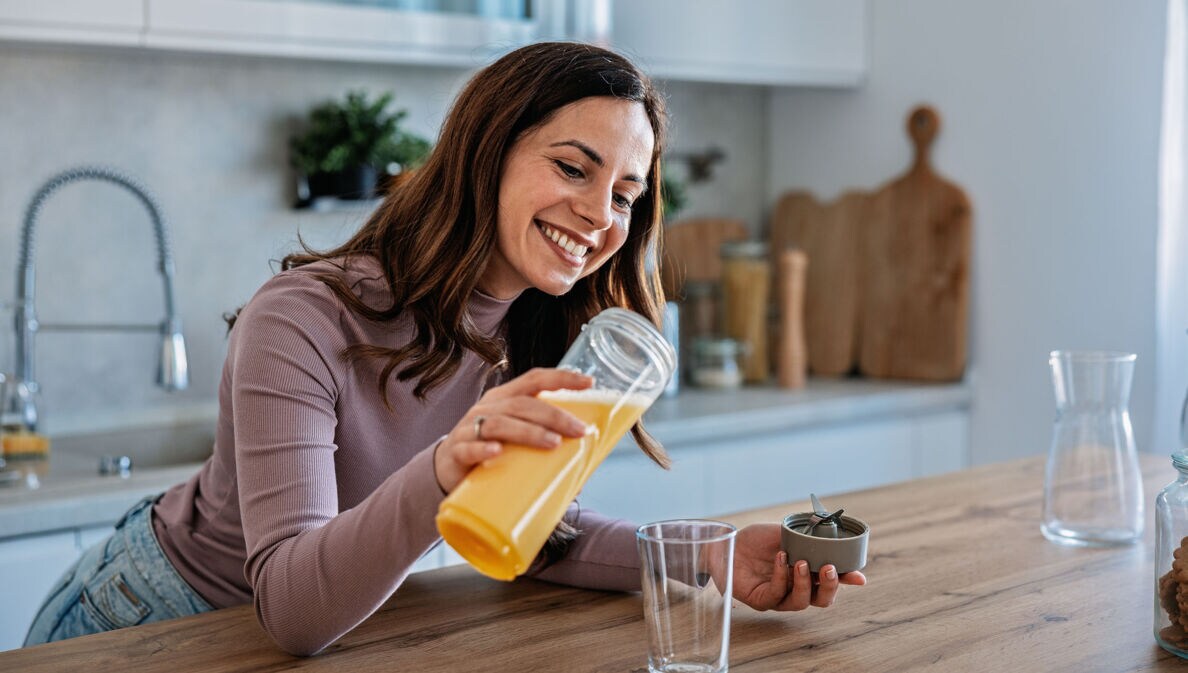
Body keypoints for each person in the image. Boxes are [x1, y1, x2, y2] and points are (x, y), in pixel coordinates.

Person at [23, 41, 864, 656]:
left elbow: (530, 533)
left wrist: (711, 557)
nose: (602, 215)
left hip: (341, 624)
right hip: (153, 614)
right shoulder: (304, 318)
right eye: (574, 168)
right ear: (486, 152)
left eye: (626, 194)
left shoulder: (537, 325)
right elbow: (290, 606)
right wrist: (442, 469)